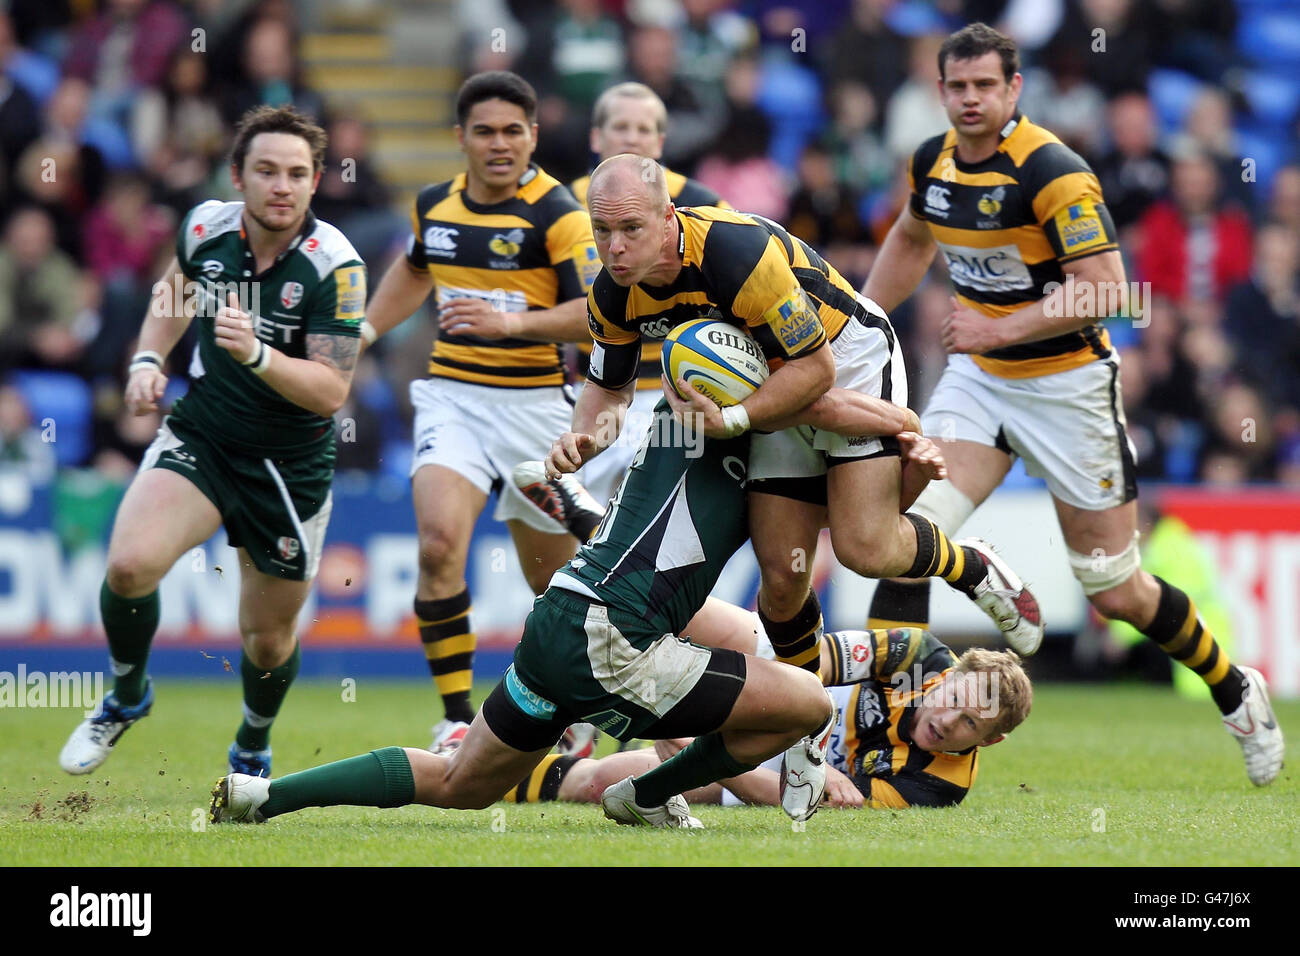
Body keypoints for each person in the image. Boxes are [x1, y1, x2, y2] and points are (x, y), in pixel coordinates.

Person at [861, 22, 1284, 786]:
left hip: (1067, 388)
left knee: (1116, 590)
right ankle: (890, 711)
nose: (970, 99)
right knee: (902, 535)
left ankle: (1234, 687)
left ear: (1014, 89)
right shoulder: (932, 161)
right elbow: (910, 239)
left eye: (985, 86)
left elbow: (1110, 288)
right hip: (980, 378)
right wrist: (861, 320)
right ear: (941, 90)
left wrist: (999, 322)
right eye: (957, 86)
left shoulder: (1053, 170)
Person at [210, 396, 944, 830]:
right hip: (614, 643)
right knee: (805, 704)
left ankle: (263, 797)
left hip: (562, 618)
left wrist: (904, 468)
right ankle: (646, 795)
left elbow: (847, 525)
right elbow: (823, 530)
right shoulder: (745, 439)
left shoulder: (681, 419)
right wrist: (899, 422)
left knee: (462, 783)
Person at [547, 154, 1043, 695]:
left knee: (865, 548)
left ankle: (971, 565)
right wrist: (583, 439)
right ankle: (807, 730)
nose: (614, 246)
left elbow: (816, 371)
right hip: (766, 382)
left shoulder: (735, 253)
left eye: (630, 228)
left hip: (844, 355)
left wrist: (734, 418)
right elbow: (609, 388)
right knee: (782, 580)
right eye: (602, 230)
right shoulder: (612, 293)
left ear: (668, 217)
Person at [59, 105, 367, 779]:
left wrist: (257, 354)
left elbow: (330, 390)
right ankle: (125, 695)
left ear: (316, 181)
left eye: (295, 173)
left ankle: (253, 741)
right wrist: (147, 361)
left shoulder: (336, 266)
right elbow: (173, 294)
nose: (280, 186)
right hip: (206, 432)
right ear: (238, 175)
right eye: (265, 171)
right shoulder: (205, 227)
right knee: (130, 567)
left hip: (289, 464)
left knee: (265, 637)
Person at [356, 72, 601, 750]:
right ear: (461, 137)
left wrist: (510, 326)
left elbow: (595, 317)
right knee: (437, 545)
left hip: (535, 413)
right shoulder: (434, 206)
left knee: (550, 579)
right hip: (454, 399)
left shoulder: (557, 213)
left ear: (533, 136)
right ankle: (457, 716)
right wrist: (366, 334)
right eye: (486, 132)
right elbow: (412, 268)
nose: (501, 145)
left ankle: (571, 707)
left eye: (514, 131)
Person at [502, 627, 1032, 811]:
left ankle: (491, 767)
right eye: (951, 698)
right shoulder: (917, 655)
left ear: (994, 739)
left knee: (601, 782)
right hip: (790, 696)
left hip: (784, 769)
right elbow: (807, 660)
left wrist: (696, 754)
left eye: (970, 724)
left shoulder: (939, 785)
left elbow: (788, 797)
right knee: (714, 619)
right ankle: (602, 619)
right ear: (949, 674)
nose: (947, 720)